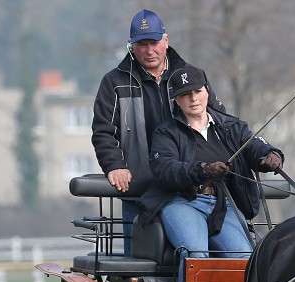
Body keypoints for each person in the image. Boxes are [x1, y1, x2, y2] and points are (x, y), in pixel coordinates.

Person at [91, 9, 224, 255]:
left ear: (166, 40)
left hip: (192, 189)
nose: (149, 50)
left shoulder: (190, 76)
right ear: (131, 45)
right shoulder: (114, 82)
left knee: (211, 262)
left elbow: (218, 120)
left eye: (154, 42)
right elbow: (103, 131)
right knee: (140, 270)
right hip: (141, 191)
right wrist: (114, 165)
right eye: (142, 44)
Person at [142, 65, 283, 282]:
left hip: (222, 206)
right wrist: (203, 170)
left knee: (246, 260)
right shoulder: (166, 132)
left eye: (197, 91)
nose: (193, 99)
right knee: (196, 257)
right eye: (185, 95)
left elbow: (254, 146)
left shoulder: (231, 126)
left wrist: (271, 155)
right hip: (182, 202)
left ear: (207, 91)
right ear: (176, 101)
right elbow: (165, 170)